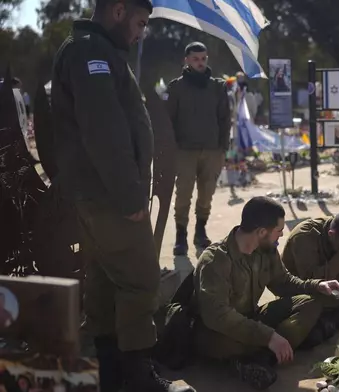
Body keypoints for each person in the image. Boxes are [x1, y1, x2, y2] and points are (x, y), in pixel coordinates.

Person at [49, 1, 194, 391]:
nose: (141, 32)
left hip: (98, 194)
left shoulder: (96, 50)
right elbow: (104, 131)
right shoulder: (91, 52)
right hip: (110, 197)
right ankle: (135, 374)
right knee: (141, 281)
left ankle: (110, 370)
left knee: (105, 281)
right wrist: (131, 198)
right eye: (139, 22)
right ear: (117, 10)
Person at [193, 197, 339, 390]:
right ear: (261, 232)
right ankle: (256, 356)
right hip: (219, 332)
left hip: (251, 319)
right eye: (278, 231)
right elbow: (218, 317)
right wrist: (269, 336)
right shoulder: (215, 261)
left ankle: (260, 359)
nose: (281, 235)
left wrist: (316, 285)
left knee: (310, 303)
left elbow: (284, 283)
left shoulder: (266, 251)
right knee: (229, 343)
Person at [167, 42, 231, 256]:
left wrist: (223, 148)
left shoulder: (217, 87)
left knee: (207, 195)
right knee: (183, 195)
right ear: (186, 60)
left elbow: (224, 119)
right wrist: (170, 149)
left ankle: (200, 232)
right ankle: (180, 236)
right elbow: (169, 120)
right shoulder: (176, 87)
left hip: (212, 150)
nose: (200, 63)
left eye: (203, 58)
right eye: (195, 59)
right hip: (184, 150)